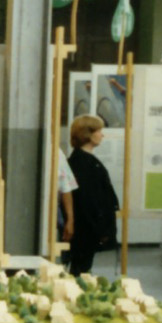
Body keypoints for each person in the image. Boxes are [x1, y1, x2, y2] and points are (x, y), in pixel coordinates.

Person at [65, 114, 119, 276]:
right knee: (81, 269)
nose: (102, 135)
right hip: (86, 229)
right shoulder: (83, 163)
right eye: (98, 131)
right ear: (87, 134)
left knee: (82, 268)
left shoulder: (85, 161)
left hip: (89, 227)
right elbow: (88, 200)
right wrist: (100, 229)